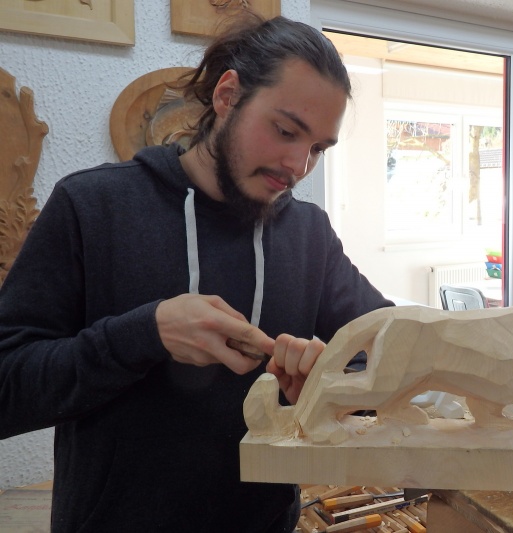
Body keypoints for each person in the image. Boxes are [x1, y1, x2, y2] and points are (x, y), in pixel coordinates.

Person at [0, 14, 393, 532]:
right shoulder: (92, 205)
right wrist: (145, 333)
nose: (298, 165)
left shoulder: (308, 234)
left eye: (318, 148)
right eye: (285, 131)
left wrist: (331, 384)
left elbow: (391, 354)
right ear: (228, 95)